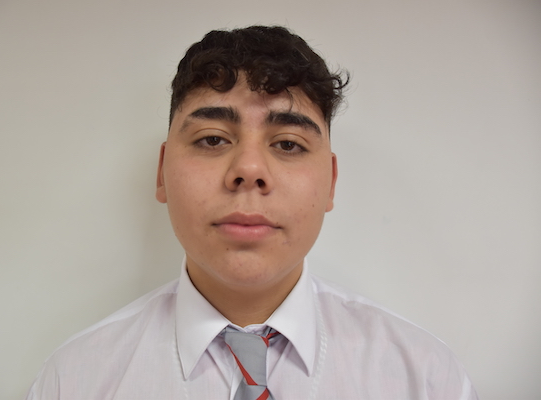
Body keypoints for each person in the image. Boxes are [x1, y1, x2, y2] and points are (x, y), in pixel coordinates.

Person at [26, 25, 477, 399]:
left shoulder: (426, 379)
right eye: (212, 139)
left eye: (288, 144)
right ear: (162, 172)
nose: (249, 170)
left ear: (331, 182)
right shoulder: (75, 380)